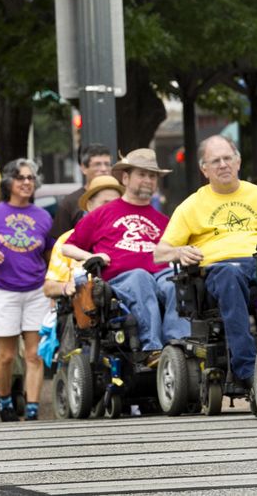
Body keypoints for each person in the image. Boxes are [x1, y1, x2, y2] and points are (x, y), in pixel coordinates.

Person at [153, 135, 257, 388]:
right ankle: (246, 369)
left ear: (238, 161)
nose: (223, 165)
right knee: (230, 275)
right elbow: (159, 252)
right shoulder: (192, 205)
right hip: (220, 271)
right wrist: (180, 252)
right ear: (204, 169)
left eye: (227, 158)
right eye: (215, 160)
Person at [62, 148, 188, 366]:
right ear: (126, 177)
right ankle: (152, 348)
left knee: (176, 282)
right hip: (121, 281)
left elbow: (175, 251)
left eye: (152, 176)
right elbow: (68, 248)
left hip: (160, 275)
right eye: (142, 174)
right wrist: (93, 255)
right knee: (141, 277)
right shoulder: (103, 213)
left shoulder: (164, 221)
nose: (148, 180)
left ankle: (179, 348)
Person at [0, 159, 54, 421]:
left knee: (34, 355)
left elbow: (51, 255)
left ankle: (32, 409)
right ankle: (5, 402)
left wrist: (52, 287)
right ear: (9, 182)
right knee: (6, 355)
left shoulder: (43, 216)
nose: (27, 182)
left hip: (35, 291)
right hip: (2, 290)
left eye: (30, 178)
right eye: (21, 178)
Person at [44, 175, 124, 299]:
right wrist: (66, 287)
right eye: (105, 203)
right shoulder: (68, 240)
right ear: (90, 205)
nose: (111, 209)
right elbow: (49, 287)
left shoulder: (131, 237)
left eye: (116, 204)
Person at [49, 144, 112, 239]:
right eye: (97, 164)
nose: (104, 169)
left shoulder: (119, 198)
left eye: (107, 164)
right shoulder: (69, 202)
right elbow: (59, 242)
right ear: (84, 168)